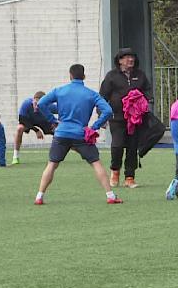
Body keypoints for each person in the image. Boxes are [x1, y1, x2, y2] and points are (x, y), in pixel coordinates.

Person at [34, 64, 120, 205]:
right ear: (84, 76)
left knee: (52, 165)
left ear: (70, 75)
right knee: (95, 163)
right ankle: (110, 196)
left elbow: (41, 103)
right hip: (81, 134)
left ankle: (39, 196)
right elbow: (108, 111)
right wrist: (95, 126)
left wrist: (53, 120)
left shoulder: (60, 90)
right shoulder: (91, 94)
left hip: (61, 133)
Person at [99, 48, 152, 188]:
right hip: (117, 118)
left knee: (132, 147)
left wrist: (145, 100)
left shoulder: (140, 75)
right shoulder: (111, 76)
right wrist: (101, 116)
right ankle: (115, 171)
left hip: (135, 119)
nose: (131, 60)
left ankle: (129, 177)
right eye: (127, 57)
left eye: (132, 57)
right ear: (120, 60)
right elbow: (102, 97)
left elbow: (147, 91)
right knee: (117, 145)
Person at [12, 91, 54, 165]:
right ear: (33, 100)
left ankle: (56, 154)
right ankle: (15, 156)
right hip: (29, 122)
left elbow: (62, 111)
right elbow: (22, 120)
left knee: (59, 131)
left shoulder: (49, 106)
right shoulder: (26, 104)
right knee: (19, 128)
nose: (37, 107)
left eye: (40, 105)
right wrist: (36, 130)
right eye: (35, 104)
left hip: (43, 121)